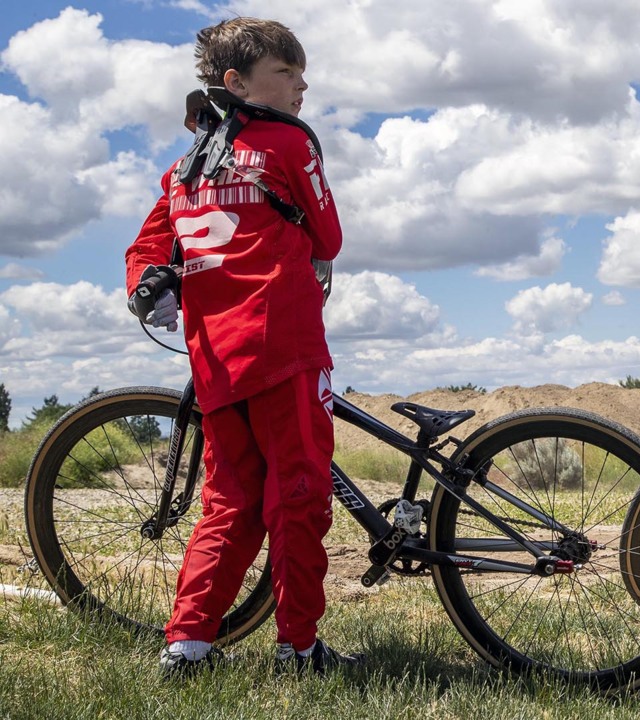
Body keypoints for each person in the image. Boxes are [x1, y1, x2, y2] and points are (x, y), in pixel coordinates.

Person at [124, 17, 357, 676]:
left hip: (216, 360)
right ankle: (300, 649)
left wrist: (151, 285)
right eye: (285, 74)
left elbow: (144, 251)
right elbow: (329, 237)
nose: (300, 86)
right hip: (284, 345)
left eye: (301, 73)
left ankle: (188, 646)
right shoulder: (288, 142)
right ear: (237, 82)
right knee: (299, 497)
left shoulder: (182, 170)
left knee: (229, 504)